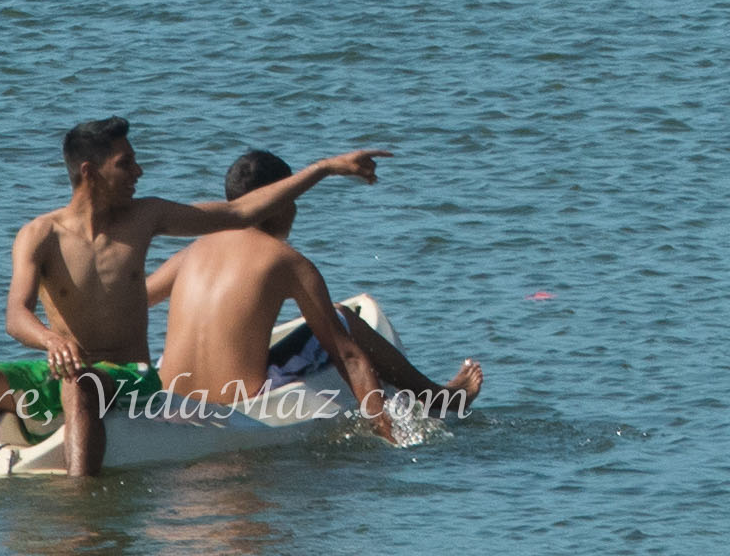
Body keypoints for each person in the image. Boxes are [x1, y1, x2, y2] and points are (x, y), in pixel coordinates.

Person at [0, 119, 389, 477]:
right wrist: (49, 341)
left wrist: (325, 169)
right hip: (61, 367)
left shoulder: (146, 218)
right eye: (125, 163)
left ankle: (84, 510)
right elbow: (15, 316)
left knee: (80, 386)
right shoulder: (39, 236)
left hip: (131, 378)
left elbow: (239, 210)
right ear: (89, 171)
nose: (138, 171)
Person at [150, 148, 483, 421]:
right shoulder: (285, 260)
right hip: (239, 408)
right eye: (292, 201)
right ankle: (440, 398)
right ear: (280, 202)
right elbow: (347, 355)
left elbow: (131, 302)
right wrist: (385, 428)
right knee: (341, 318)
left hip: (169, 402)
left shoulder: (187, 254)